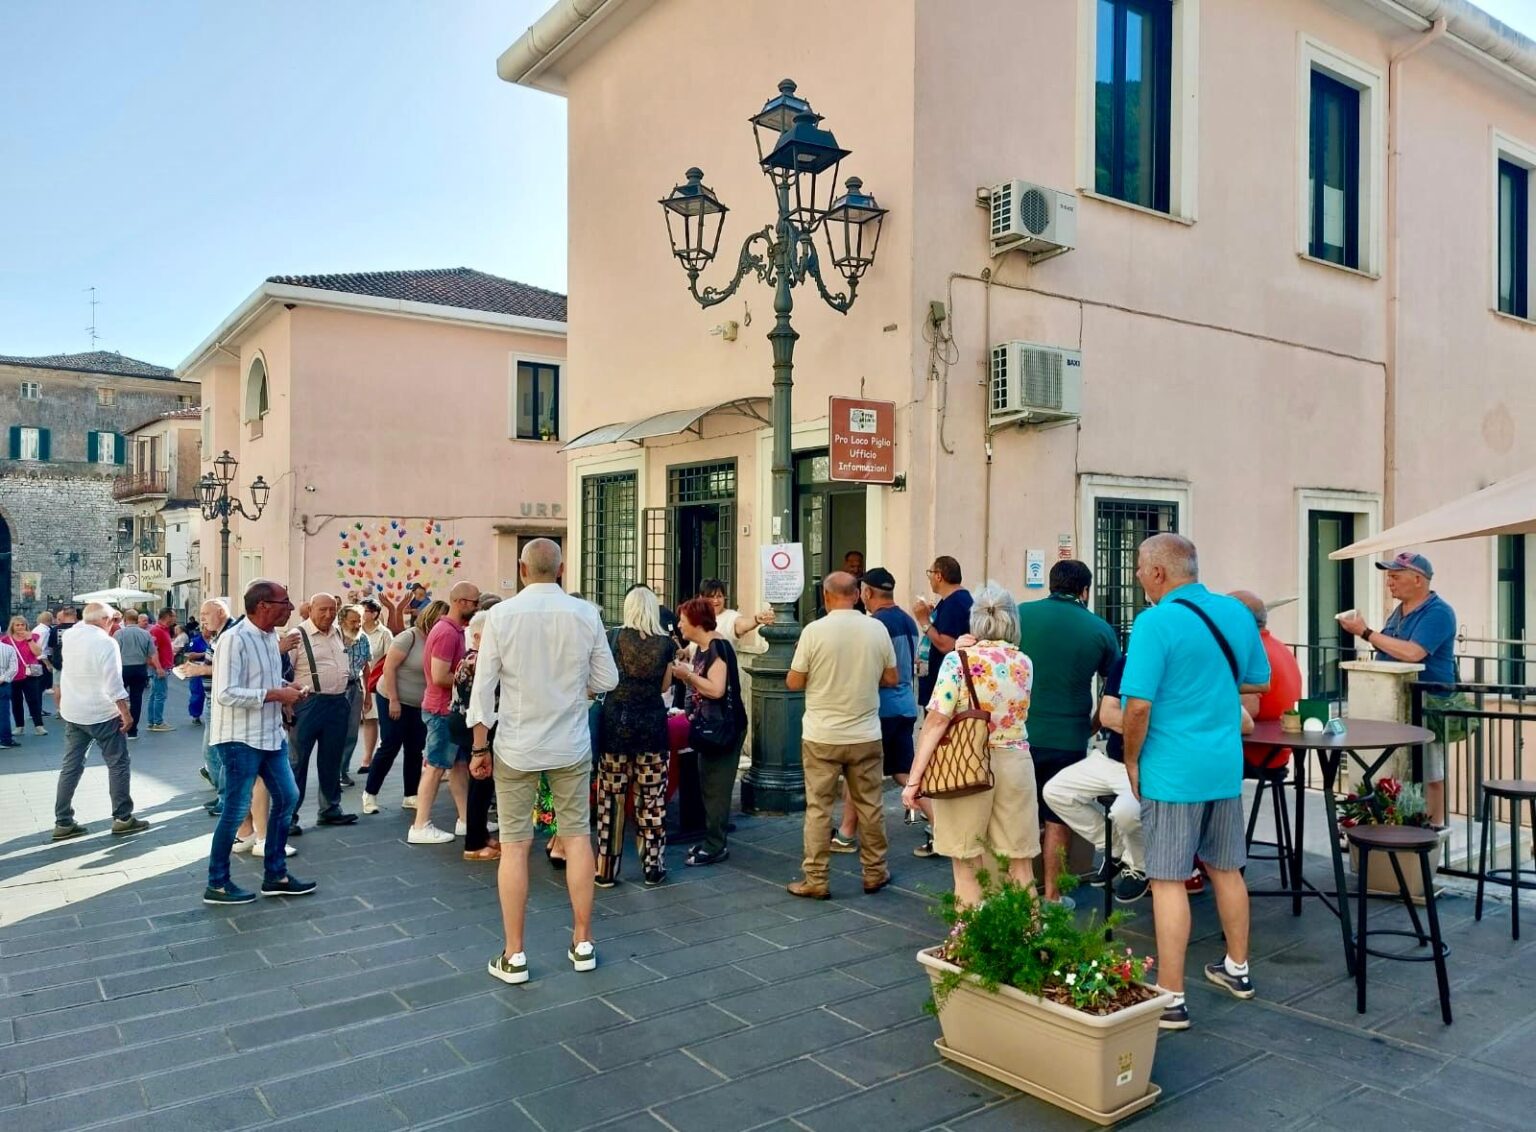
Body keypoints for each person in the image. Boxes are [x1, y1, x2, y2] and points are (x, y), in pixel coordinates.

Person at [1120, 534, 1269, 1031]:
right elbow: (1258, 680)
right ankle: (1238, 970)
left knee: (1167, 879)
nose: (1138, 576)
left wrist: (1132, 759)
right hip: (1224, 763)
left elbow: (1137, 705)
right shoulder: (1236, 614)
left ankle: (1171, 996)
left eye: (1140, 568)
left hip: (1172, 769)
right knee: (1228, 869)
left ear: (1159, 573)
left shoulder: (1154, 622)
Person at [470, 539, 617, 985]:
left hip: (516, 742)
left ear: (521, 569)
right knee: (576, 839)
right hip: (570, 742)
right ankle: (583, 941)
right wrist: (577, 692)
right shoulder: (586, 613)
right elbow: (607, 678)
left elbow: (483, 688)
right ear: (562, 569)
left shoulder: (499, 616)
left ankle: (514, 954)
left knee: (515, 846)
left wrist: (479, 746)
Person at [903, 584, 1036, 908]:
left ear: (974, 620)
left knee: (966, 862)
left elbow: (936, 722)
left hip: (967, 764)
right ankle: (1027, 940)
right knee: (1018, 863)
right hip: (1016, 762)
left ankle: (970, 944)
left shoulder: (957, 661)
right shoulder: (1023, 662)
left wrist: (914, 780)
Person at [785, 571, 898, 900]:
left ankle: (816, 878)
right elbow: (891, 678)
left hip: (822, 734)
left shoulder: (814, 632)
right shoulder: (876, 628)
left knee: (818, 808)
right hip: (864, 733)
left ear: (825, 597)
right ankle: (875, 872)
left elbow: (794, 681)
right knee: (870, 805)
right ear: (859, 594)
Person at [1014, 560, 1121, 907]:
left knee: (1017, 811)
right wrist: (1092, 723)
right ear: (1085, 591)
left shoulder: (1019, 615)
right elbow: (1116, 687)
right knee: (1056, 815)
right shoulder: (1100, 629)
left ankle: (1017, 891)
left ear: (1051, 583)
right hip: (1069, 736)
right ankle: (1053, 895)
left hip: (1019, 733)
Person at [204, 580, 315, 904]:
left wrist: (287, 687)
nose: (291, 608)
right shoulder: (233, 639)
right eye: (285, 602)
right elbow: (226, 693)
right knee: (236, 808)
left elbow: (262, 681)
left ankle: (276, 874)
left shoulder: (269, 637)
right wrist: (276, 694)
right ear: (264, 605)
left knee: (288, 796)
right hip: (239, 738)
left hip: (269, 735)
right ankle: (218, 883)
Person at [1338, 552, 1457, 827]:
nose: (1389, 582)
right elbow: (1390, 646)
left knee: (1428, 770)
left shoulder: (1438, 612)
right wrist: (1369, 635)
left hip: (1426, 703)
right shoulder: (1400, 611)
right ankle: (1398, 825)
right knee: (1399, 770)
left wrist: (1365, 632)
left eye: (1395, 576)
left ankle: (1432, 829)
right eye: (1388, 577)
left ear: (1418, 579)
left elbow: (1413, 653)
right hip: (1393, 702)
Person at [832, 567, 930, 857]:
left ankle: (847, 835)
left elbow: (870, 670)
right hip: (905, 705)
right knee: (904, 771)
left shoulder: (874, 624)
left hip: (880, 708)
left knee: (856, 771)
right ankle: (940, 827)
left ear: (867, 592)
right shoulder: (909, 621)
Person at [1043, 652, 1152, 902]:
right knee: (1055, 791)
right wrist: (1145, 724)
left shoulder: (1178, 666)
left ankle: (1140, 866)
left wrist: (1134, 723)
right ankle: (1115, 847)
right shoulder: (1128, 661)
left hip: (1148, 765)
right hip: (1112, 760)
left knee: (1126, 812)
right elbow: (1107, 715)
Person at [595, 585, 675, 888]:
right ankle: (653, 866)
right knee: (652, 799)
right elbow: (664, 687)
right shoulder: (666, 644)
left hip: (616, 724)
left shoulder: (613, 637)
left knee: (611, 799)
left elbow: (603, 679)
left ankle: (606, 869)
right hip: (652, 726)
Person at [52, 602, 148, 839]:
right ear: (107, 621)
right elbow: (113, 683)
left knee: (71, 766)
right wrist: (125, 712)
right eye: (113, 621)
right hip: (101, 712)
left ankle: (63, 820)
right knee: (118, 763)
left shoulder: (72, 634)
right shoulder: (106, 642)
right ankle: (122, 817)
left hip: (74, 710)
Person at [672, 597, 747, 868]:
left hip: (724, 728)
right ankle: (712, 839)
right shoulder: (702, 646)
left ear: (696, 623)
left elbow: (716, 689)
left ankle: (716, 845)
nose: (679, 624)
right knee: (708, 783)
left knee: (717, 787)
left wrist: (688, 677)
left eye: (683, 620)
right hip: (710, 726)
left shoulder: (717, 647)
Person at [411, 581, 481, 845]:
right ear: (462, 602)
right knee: (435, 766)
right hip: (441, 710)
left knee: (459, 766)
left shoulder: (451, 630)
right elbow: (440, 676)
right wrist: (469, 682)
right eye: (475, 602)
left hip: (450, 710)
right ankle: (420, 825)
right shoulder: (447, 633)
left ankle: (466, 819)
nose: (476, 607)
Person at [362, 600, 439, 815]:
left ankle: (410, 795)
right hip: (392, 697)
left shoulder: (437, 639)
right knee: (390, 744)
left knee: (415, 748)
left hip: (418, 702)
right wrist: (394, 700)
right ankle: (370, 793)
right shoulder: (410, 636)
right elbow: (389, 667)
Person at [288, 593, 358, 830]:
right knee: (298, 760)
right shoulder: (298, 634)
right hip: (309, 703)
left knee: (331, 759)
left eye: (332, 610)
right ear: (311, 609)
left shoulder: (337, 632)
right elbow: (285, 672)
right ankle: (288, 817)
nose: (328, 615)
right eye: (323, 610)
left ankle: (330, 809)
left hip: (338, 702)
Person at [456, 607, 502, 862]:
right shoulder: (476, 662)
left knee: (482, 786)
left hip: (477, 730)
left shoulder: (473, 659)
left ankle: (480, 835)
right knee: (480, 785)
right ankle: (473, 843)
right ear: (475, 637)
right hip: (476, 731)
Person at [914, 555, 973, 708]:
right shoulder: (954, 600)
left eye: (930, 573)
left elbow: (946, 644)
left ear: (939, 576)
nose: (929, 578)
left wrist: (923, 621)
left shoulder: (954, 603)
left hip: (944, 685)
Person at [355, 598, 393, 775]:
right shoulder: (355, 631)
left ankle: (377, 757)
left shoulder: (384, 633)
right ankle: (367, 758)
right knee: (368, 719)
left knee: (381, 719)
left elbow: (390, 659)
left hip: (378, 682)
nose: (361, 615)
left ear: (374, 613)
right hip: (360, 681)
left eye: (365, 611)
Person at [337, 604, 372, 786]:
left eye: (359, 621)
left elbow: (366, 668)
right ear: (342, 621)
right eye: (353, 621)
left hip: (355, 687)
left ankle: (343, 771)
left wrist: (367, 695)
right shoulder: (334, 638)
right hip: (336, 690)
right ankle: (332, 773)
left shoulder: (363, 639)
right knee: (335, 733)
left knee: (351, 733)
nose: (357, 625)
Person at [113, 611, 157, 739]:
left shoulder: (119, 634)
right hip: (140, 668)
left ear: (125, 620)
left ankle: (119, 725)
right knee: (136, 699)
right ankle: (133, 730)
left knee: (118, 698)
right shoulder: (145, 634)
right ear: (137, 619)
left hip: (123, 668)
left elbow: (114, 652)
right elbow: (151, 653)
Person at [4, 616, 48, 736]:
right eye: (17, 625)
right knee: (16, 701)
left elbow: (38, 653)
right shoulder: (6, 640)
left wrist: (29, 640)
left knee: (33, 700)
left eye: (22, 625)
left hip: (30, 673)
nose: (20, 627)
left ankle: (39, 725)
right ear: (12, 626)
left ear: (26, 626)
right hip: (13, 674)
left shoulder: (33, 637)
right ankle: (19, 726)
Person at [146, 609, 177, 732]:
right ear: (167, 617)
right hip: (160, 668)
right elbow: (154, 651)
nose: (175, 619)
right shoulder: (157, 630)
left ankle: (152, 720)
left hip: (162, 666)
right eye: (174, 616)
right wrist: (158, 667)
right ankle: (158, 722)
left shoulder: (162, 630)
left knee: (155, 695)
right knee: (160, 695)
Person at [185, 618, 210, 725]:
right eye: (206, 629)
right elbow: (190, 655)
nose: (209, 631)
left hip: (210, 670)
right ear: (202, 630)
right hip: (197, 669)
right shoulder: (195, 641)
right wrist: (205, 654)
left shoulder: (216, 640)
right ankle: (196, 715)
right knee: (198, 694)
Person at [31, 611, 54, 710]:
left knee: (36, 686)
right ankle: (37, 710)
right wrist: (48, 664)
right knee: (39, 687)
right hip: (41, 661)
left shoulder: (36, 629)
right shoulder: (45, 631)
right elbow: (42, 649)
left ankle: (36, 709)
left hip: (33, 660)